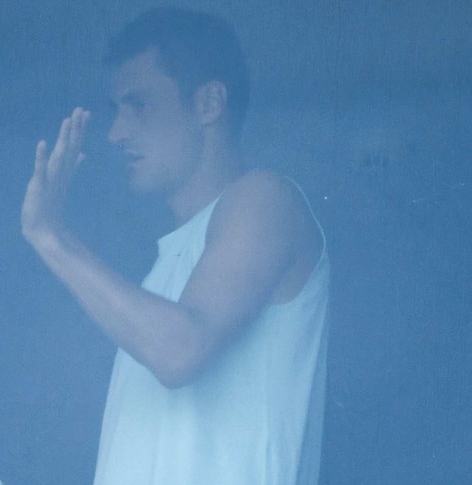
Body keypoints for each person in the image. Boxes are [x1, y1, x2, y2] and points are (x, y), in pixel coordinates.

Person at [21, 7, 329, 485]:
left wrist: (52, 235)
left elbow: (180, 351)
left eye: (138, 105)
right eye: (115, 111)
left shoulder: (266, 197)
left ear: (209, 104)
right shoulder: (161, 276)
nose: (115, 132)